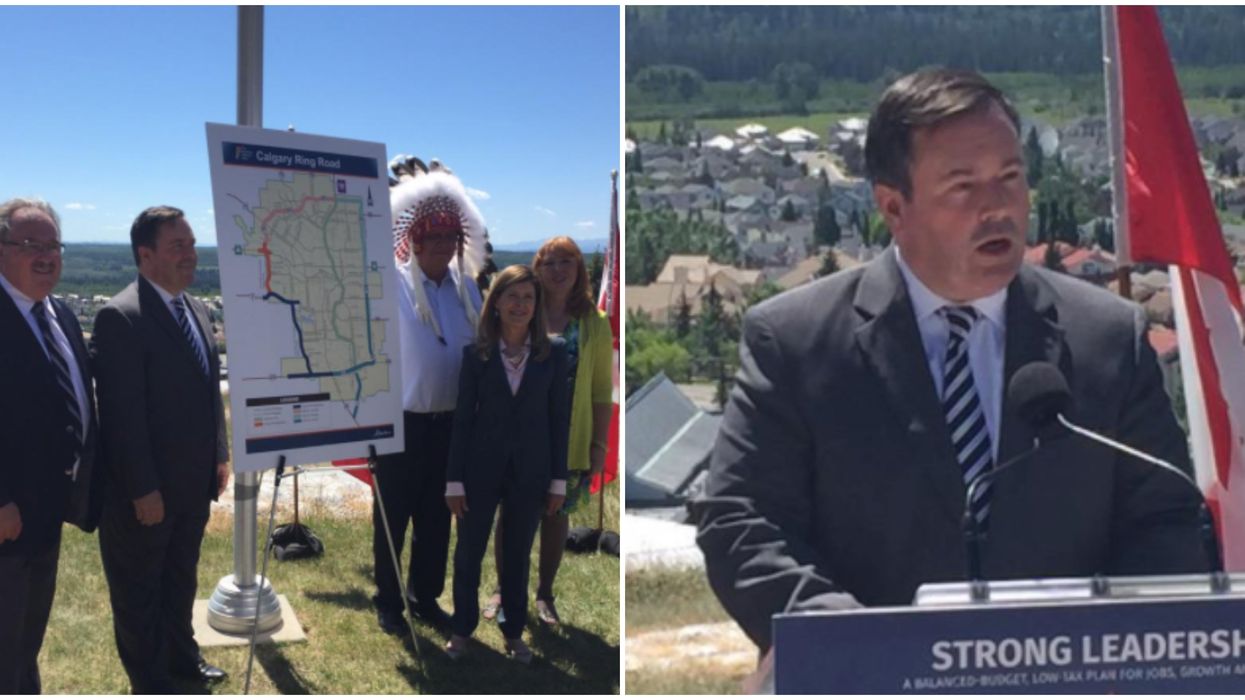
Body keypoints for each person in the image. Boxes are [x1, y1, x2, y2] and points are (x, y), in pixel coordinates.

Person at [694, 68, 1207, 658]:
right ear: (894, 206)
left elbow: (1166, 517)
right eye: (963, 187)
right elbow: (743, 522)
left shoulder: (1109, 337)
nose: (998, 207)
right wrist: (848, 642)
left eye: (1010, 177)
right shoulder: (795, 342)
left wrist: (1105, 646)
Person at [91, 206, 230, 693]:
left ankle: (183, 661)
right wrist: (142, 488)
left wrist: (219, 453)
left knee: (180, 580)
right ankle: (150, 681)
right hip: (146, 494)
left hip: (192, 485)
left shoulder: (196, 308)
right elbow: (121, 418)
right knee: (140, 592)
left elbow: (208, 391)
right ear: (145, 255)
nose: (191, 255)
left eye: (191, 244)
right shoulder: (121, 316)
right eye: (178, 246)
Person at [372, 158, 486, 636]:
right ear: (414, 240)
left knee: (438, 517)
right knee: (392, 516)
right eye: (432, 236)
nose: (442, 244)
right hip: (403, 421)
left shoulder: (468, 291)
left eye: (450, 237)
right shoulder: (391, 284)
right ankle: (388, 601)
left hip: (452, 425)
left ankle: (424, 596)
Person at [482, 236, 612, 625]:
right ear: (537, 269)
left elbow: (601, 390)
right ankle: (504, 588)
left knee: (556, 516)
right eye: (549, 263)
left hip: (570, 438)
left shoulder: (594, 322)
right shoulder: (524, 312)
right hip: (520, 436)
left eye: (566, 262)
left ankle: (545, 594)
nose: (557, 270)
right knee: (511, 515)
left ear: (579, 269)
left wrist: (599, 445)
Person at [443, 265, 570, 663]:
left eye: (528, 298)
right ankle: (462, 628)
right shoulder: (476, 355)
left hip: (531, 472)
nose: (520, 305)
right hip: (479, 471)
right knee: (469, 552)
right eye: (512, 296)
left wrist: (558, 480)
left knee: (517, 555)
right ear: (495, 302)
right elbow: (463, 420)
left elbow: (559, 420)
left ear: (537, 305)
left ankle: (513, 631)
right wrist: (454, 480)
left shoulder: (554, 353)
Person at [0, 198, 99, 694]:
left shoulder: (59, 313)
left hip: (48, 509)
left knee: (27, 635)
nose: (45, 256)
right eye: (29, 244)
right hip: (8, 517)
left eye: (53, 245)